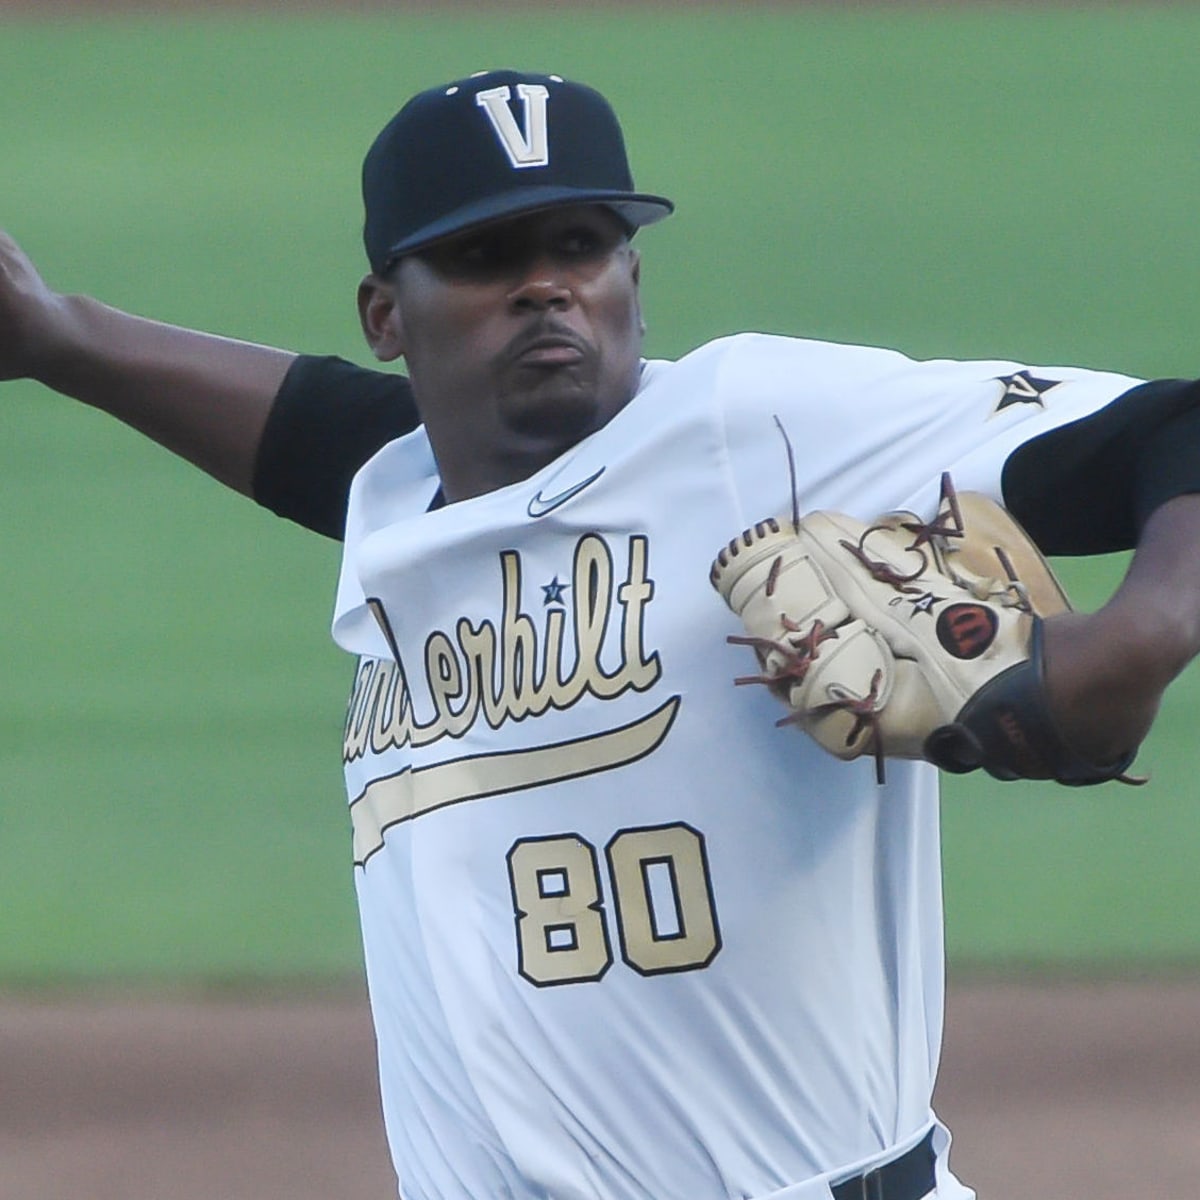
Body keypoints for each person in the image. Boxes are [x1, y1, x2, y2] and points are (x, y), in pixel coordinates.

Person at [4, 68, 1200, 1200]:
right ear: (387, 316)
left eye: (580, 245)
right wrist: (57, 335)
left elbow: (1176, 428)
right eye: (485, 256)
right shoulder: (399, 488)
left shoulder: (751, 430)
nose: (545, 284)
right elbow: (310, 429)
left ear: (631, 272)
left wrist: (1134, 643)